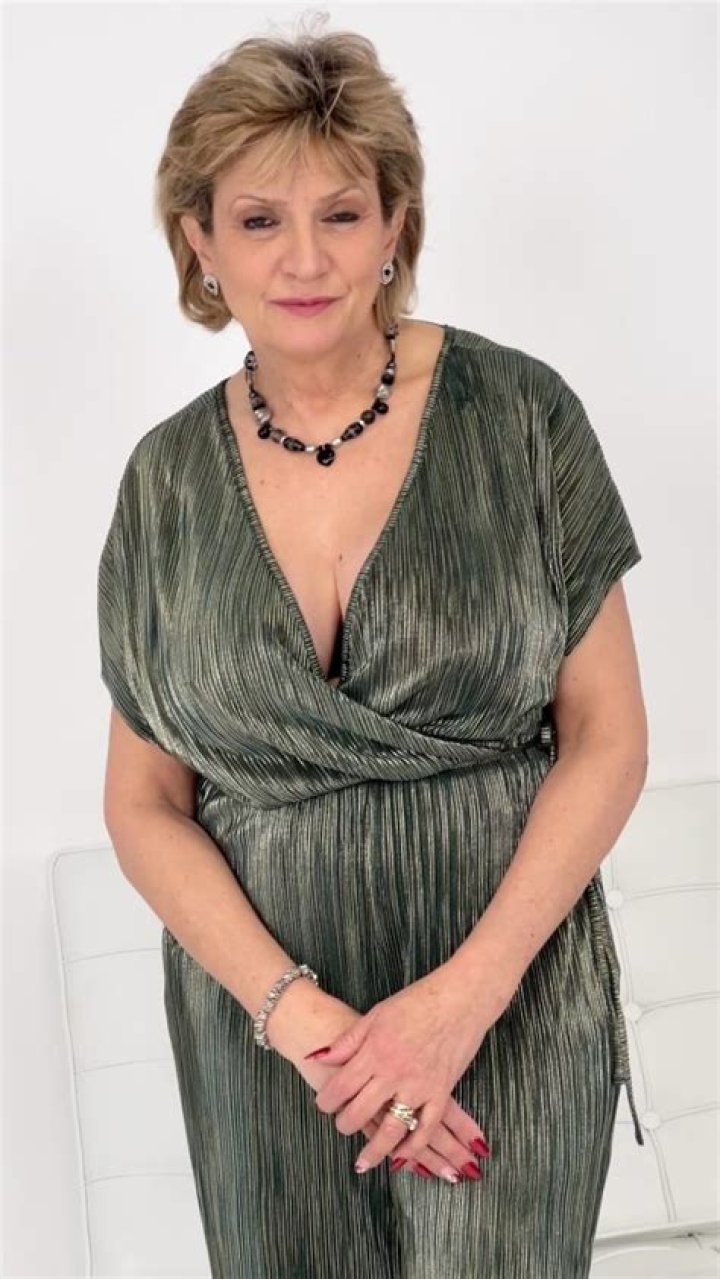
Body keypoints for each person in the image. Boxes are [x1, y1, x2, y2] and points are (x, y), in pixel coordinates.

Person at [97, 20, 648, 1279]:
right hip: (266, 1040)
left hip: (506, 1007)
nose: (305, 259)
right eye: (258, 220)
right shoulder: (162, 485)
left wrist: (458, 1005)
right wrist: (309, 1029)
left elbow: (609, 738)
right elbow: (143, 801)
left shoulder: (521, 415)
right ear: (199, 241)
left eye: (342, 214)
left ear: (395, 223)